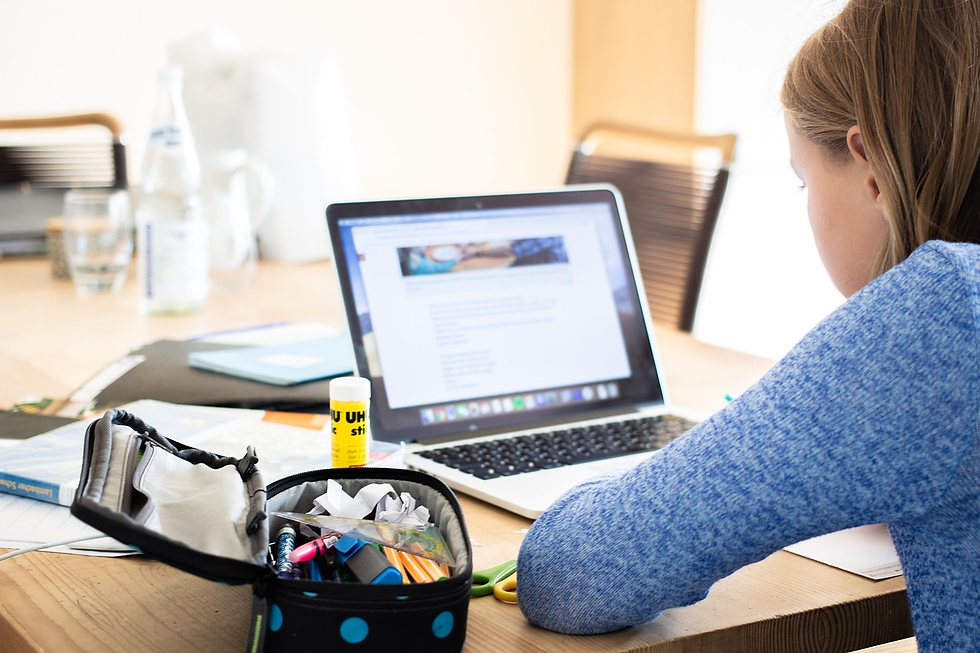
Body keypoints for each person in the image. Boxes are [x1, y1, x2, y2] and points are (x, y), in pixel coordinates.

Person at [516, 1, 980, 651]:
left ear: (870, 164)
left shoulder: (942, 313)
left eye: (803, 182)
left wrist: (673, 474)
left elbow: (569, 573)